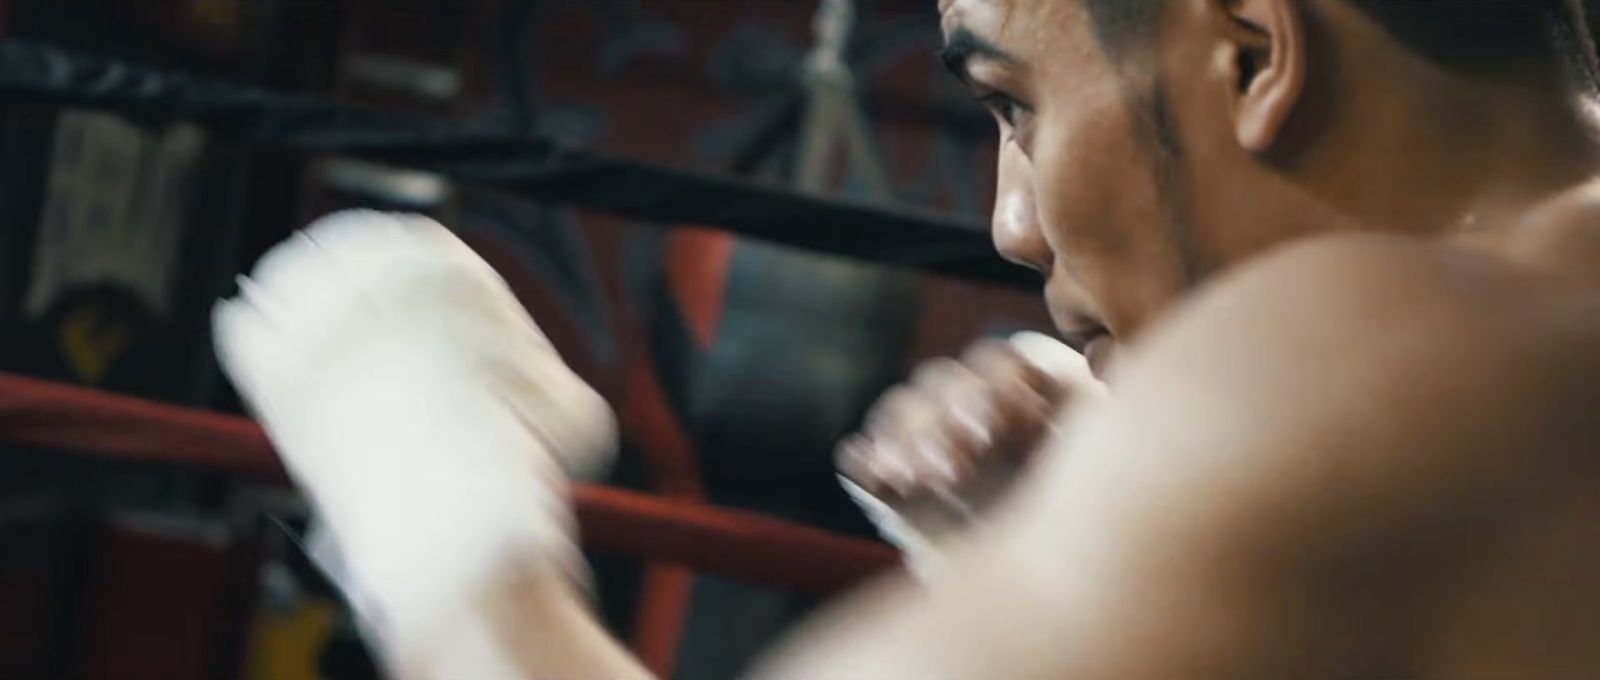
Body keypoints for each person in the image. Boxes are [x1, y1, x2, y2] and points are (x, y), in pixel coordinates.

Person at [215, 0, 1600, 677]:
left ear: (1249, 57)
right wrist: (1113, 553)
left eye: (1014, 106)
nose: (1009, 221)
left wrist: (446, 521)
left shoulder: (1376, 367)